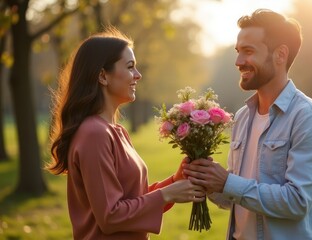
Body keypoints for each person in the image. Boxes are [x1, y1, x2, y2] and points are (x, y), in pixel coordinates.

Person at [183, 9, 312, 240]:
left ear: (280, 55)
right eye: (237, 51)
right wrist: (208, 180)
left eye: (248, 51)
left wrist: (227, 182)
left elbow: (297, 202)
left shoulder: (309, 119)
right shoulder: (243, 117)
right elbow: (234, 196)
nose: (238, 61)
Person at [47, 27, 205, 240]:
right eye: (130, 67)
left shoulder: (116, 131)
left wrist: (175, 182)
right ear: (103, 76)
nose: (138, 75)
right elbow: (110, 216)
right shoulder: (94, 133)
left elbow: (131, 200)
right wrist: (166, 194)